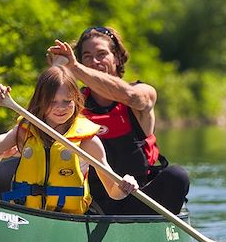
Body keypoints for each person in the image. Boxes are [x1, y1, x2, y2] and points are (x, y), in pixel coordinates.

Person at [47, 26, 190, 215]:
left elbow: (131, 96)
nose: (94, 61)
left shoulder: (142, 92)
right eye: (87, 56)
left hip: (139, 200)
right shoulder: (72, 104)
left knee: (177, 176)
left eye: (101, 54)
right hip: (91, 204)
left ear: (116, 58)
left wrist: (74, 68)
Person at [0, 66, 138, 214]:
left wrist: (124, 186)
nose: (60, 107)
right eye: (52, 102)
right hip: (27, 214)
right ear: (41, 102)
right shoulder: (26, 131)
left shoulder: (89, 142)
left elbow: (113, 192)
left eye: (67, 101)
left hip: (67, 220)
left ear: (76, 100)